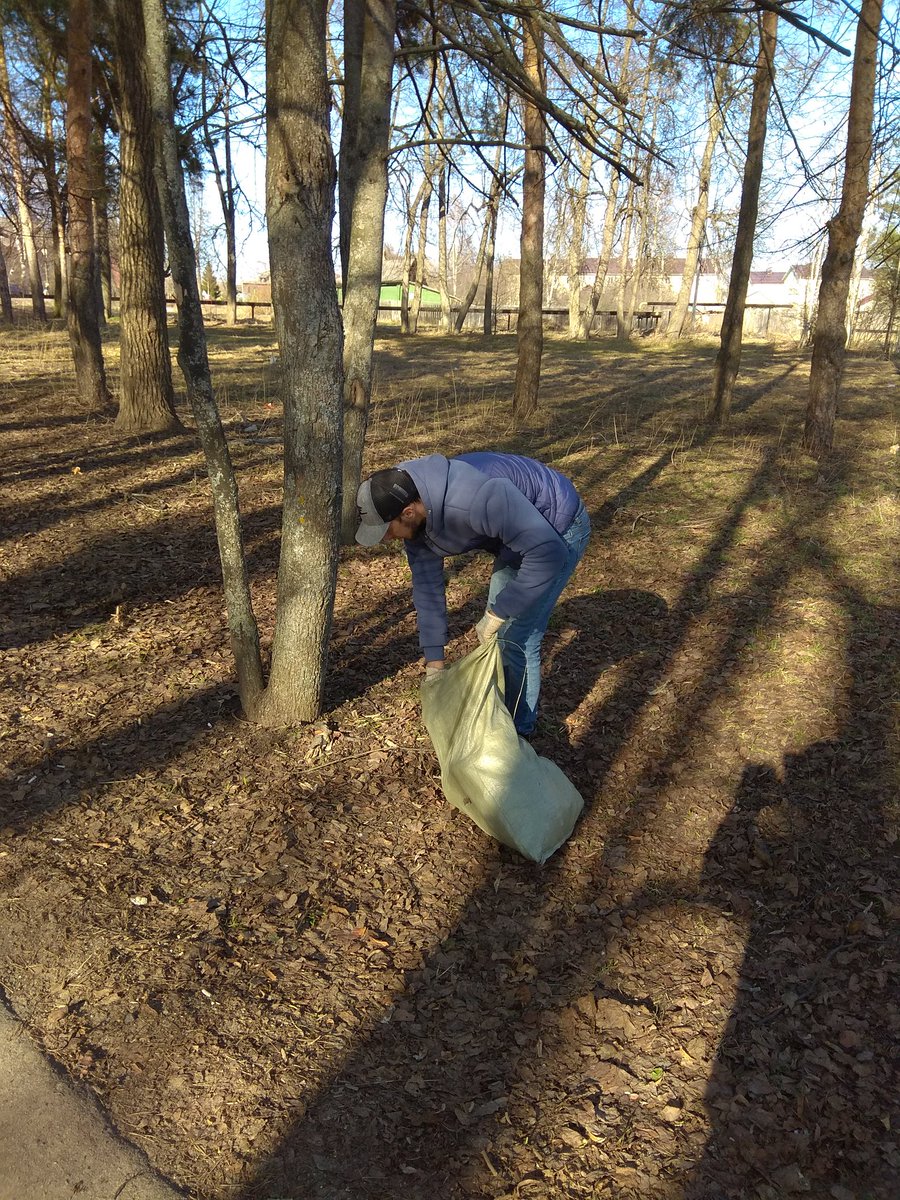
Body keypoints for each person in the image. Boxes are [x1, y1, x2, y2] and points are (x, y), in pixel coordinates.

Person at [355, 451, 591, 737]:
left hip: (556, 527)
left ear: (408, 512)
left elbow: (546, 554)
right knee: (501, 636)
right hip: (516, 531)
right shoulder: (412, 509)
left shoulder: (472, 499)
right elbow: (427, 588)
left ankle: (518, 737)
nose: (386, 538)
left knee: (517, 637)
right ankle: (505, 719)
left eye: (386, 530)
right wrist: (434, 663)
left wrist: (499, 610)